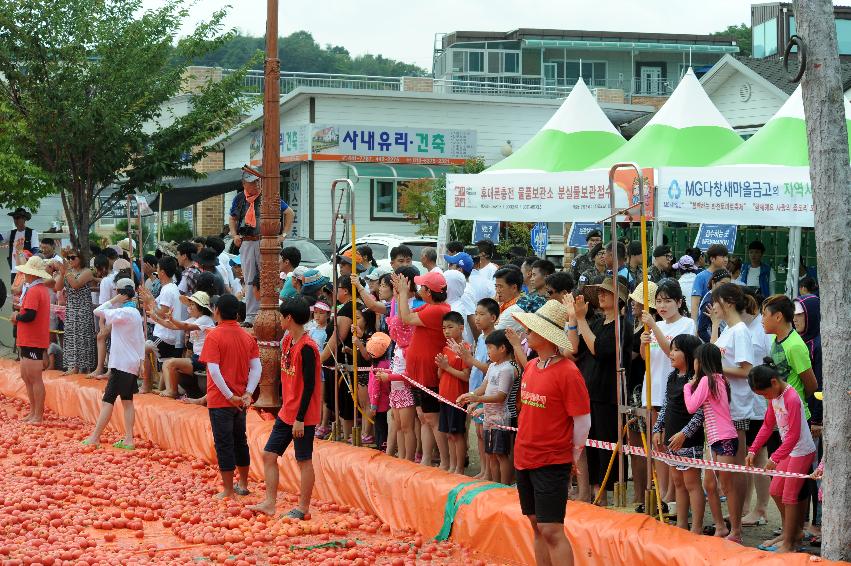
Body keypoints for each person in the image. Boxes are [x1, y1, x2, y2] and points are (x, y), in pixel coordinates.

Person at [510, 300, 590, 566]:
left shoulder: (568, 373)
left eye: (531, 331)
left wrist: (573, 455)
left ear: (545, 336)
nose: (526, 334)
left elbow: (582, 421)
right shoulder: (532, 367)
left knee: (552, 528)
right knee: (535, 524)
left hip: (551, 458)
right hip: (524, 455)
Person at [249, 297, 320, 519]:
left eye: (281, 316)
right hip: (286, 412)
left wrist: (300, 418)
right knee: (269, 454)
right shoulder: (288, 341)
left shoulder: (307, 348)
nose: (279, 320)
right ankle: (270, 503)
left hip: (302, 416)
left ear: (289, 318)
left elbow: (309, 386)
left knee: (303, 459)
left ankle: (303, 508)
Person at [746, 362, 817, 554]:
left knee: (789, 495)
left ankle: (790, 541)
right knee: (775, 490)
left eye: (764, 394)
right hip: (789, 450)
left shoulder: (791, 398)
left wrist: (776, 457)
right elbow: (767, 425)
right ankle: (790, 533)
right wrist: (753, 449)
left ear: (774, 382)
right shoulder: (774, 396)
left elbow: (794, 435)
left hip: (801, 450)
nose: (765, 398)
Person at [638, 279, 696, 503]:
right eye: (659, 301)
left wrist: (652, 326)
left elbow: (670, 351)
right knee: (656, 444)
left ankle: (673, 494)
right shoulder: (656, 325)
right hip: (652, 389)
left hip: (674, 393)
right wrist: (644, 342)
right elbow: (647, 358)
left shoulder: (687, 325)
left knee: (671, 443)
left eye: (668, 301)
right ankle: (663, 491)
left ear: (679, 302)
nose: (662, 306)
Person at [200, 294, 261, 499]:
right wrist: (247, 393)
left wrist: (229, 395)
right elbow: (257, 368)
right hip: (241, 400)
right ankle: (242, 484)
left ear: (216, 311)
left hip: (220, 400)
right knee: (239, 440)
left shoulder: (214, 336)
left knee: (224, 442)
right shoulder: (247, 337)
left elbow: (214, 371)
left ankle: (227, 490)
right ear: (237, 313)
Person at [708, 282, 754, 541]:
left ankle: (736, 528)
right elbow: (714, 353)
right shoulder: (728, 330)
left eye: (715, 301)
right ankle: (731, 523)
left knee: (733, 470)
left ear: (726, 302)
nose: (713, 306)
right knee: (723, 473)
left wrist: (717, 371)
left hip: (736, 409)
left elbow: (747, 371)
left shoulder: (741, 332)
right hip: (720, 408)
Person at [392, 270, 450, 468]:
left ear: (428, 291)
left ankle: (444, 461)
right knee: (424, 417)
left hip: (428, 372)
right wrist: (399, 294)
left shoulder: (438, 310)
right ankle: (425, 459)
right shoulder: (430, 306)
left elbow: (406, 319)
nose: (418, 288)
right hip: (418, 372)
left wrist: (402, 293)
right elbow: (402, 316)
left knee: (432, 418)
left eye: (421, 286)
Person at [684, 343, 741, 542]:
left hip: (723, 438)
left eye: (695, 360)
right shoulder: (719, 380)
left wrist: (687, 386)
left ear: (702, 361)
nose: (694, 364)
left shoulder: (707, 381)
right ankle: (720, 527)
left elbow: (691, 407)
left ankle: (735, 531)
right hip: (715, 439)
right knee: (709, 483)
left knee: (727, 485)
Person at [652, 334, 705, 534]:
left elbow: (700, 413)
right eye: (671, 349)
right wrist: (658, 428)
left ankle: (697, 527)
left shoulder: (697, 380)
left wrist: (685, 433)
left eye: (675, 350)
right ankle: (681, 524)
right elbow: (666, 406)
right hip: (671, 439)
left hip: (689, 440)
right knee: (678, 482)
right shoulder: (671, 377)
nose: (671, 354)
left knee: (692, 483)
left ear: (689, 354)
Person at [229, 165, 294, 325]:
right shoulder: (239, 198)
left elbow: (289, 213)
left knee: (269, 277)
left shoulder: (268, 195)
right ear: (244, 184)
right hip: (247, 241)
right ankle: (251, 316)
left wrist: (283, 235)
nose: (256, 185)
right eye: (252, 182)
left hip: (266, 240)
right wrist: (234, 235)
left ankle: (271, 312)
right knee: (250, 279)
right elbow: (232, 218)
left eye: (257, 181)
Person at [84, 279, 145, 449]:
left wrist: (113, 300)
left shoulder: (124, 313)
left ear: (122, 293)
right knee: (127, 401)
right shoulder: (134, 314)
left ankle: (95, 437)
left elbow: (98, 310)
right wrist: (141, 361)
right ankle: (128, 439)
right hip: (131, 363)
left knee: (108, 400)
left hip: (121, 364)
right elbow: (141, 339)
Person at [457, 329, 515, 485]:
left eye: (490, 348)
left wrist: (478, 398)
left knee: (501, 454)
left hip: (501, 418)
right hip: (489, 417)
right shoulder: (492, 367)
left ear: (502, 348)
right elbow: (483, 386)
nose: (487, 351)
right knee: (490, 454)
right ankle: (494, 485)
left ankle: (503, 486)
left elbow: (501, 396)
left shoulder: (507, 368)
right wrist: (470, 398)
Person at [452, 297, 499, 480]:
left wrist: (470, 360)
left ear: (493, 317)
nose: (477, 318)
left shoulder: (495, 338)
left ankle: (489, 472)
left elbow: (492, 369)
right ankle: (483, 469)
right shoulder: (480, 337)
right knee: (479, 433)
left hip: (487, 393)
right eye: (476, 314)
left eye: (481, 314)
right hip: (476, 389)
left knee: (485, 433)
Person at [148, 291, 215, 399]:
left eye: (193, 304)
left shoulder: (205, 319)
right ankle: (169, 390)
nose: (190, 307)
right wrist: (155, 317)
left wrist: (171, 319)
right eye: (190, 304)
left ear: (201, 307)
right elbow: (172, 326)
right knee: (169, 363)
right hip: (197, 358)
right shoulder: (195, 319)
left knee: (169, 363)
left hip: (204, 359)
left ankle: (172, 391)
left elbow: (185, 326)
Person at [12, 256, 52, 423]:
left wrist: (17, 316)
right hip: (28, 338)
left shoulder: (35, 291)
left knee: (34, 378)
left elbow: (29, 315)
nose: (25, 275)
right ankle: (34, 411)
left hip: (33, 338)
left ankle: (38, 414)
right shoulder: (36, 289)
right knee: (27, 377)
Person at [761, 295, 818, 411]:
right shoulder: (774, 338)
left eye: (764, 315)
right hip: (780, 413)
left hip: (796, 415)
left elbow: (811, 385)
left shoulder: (795, 346)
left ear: (778, 317)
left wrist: (796, 398)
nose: (761, 320)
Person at [435, 311, 470, 475]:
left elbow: (466, 376)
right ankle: (451, 465)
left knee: (457, 434)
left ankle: (459, 467)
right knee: (449, 434)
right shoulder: (446, 348)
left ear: (461, 328)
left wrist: (447, 367)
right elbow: (440, 375)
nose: (446, 331)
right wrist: (442, 367)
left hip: (457, 398)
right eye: (444, 328)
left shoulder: (465, 348)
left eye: (450, 327)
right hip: (444, 396)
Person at [142, 256, 183, 393]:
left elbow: (162, 313)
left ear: (162, 272)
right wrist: (149, 300)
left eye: (157, 270)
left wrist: (150, 302)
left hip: (165, 334)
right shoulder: (170, 288)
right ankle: (160, 388)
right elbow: (155, 307)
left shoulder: (167, 289)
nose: (156, 273)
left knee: (141, 350)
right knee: (165, 363)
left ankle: (146, 385)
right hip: (168, 333)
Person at [57, 248, 97, 375]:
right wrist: (62, 273)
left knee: (83, 337)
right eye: (68, 258)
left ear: (81, 258)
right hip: (71, 308)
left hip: (83, 308)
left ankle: (84, 368)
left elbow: (75, 284)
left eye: (73, 257)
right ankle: (73, 366)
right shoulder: (68, 272)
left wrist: (66, 271)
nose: (70, 260)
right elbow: (57, 287)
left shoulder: (87, 272)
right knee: (71, 337)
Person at [365, 332, 392, 451]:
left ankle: (381, 445)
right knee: (383, 424)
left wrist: (373, 405)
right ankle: (383, 444)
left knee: (380, 425)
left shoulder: (377, 367)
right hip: (385, 400)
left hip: (379, 402)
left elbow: (376, 387)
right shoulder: (387, 364)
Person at [691, 244, 729, 325]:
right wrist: (694, 326)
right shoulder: (701, 277)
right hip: (705, 323)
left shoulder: (727, 276)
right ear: (712, 259)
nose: (726, 260)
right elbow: (695, 304)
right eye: (722, 257)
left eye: (726, 257)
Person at [697, 269, 732, 343]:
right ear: (713, 282)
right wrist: (714, 345)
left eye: (728, 285)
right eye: (722, 284)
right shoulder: (709, 301)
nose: (726, 288)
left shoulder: (716, 296)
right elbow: (701, 330)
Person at [4, 208, 38, 277]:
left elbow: (35, 251)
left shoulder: (32, 232)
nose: (16, 220)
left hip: (27, 270)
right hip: (14, 270)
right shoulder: (11, 233)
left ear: (24, 219)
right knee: (14, 288)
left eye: (18, 217)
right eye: (14, 218)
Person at [493, 267, 525, 334]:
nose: (497, 291)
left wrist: (493, 307)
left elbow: (491, 334)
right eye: (496, 286)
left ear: (514, 288)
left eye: (500, 286)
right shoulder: (504, 304)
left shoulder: (515, 310)